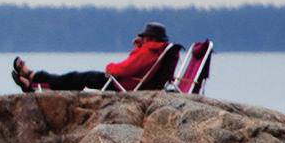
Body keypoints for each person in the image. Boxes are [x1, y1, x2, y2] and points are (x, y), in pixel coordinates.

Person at [11, 22, 170, 92]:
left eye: (145, 36)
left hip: (119, 84)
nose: (143, 39)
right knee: (73, 79)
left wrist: (109, 68)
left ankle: (33, 79)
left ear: (151, 38)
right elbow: (137, 66)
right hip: (128, 84)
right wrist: (139, 48)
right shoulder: (156, 51)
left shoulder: (149, 51)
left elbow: (124, 68)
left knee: (73, 78)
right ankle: (32, 77)